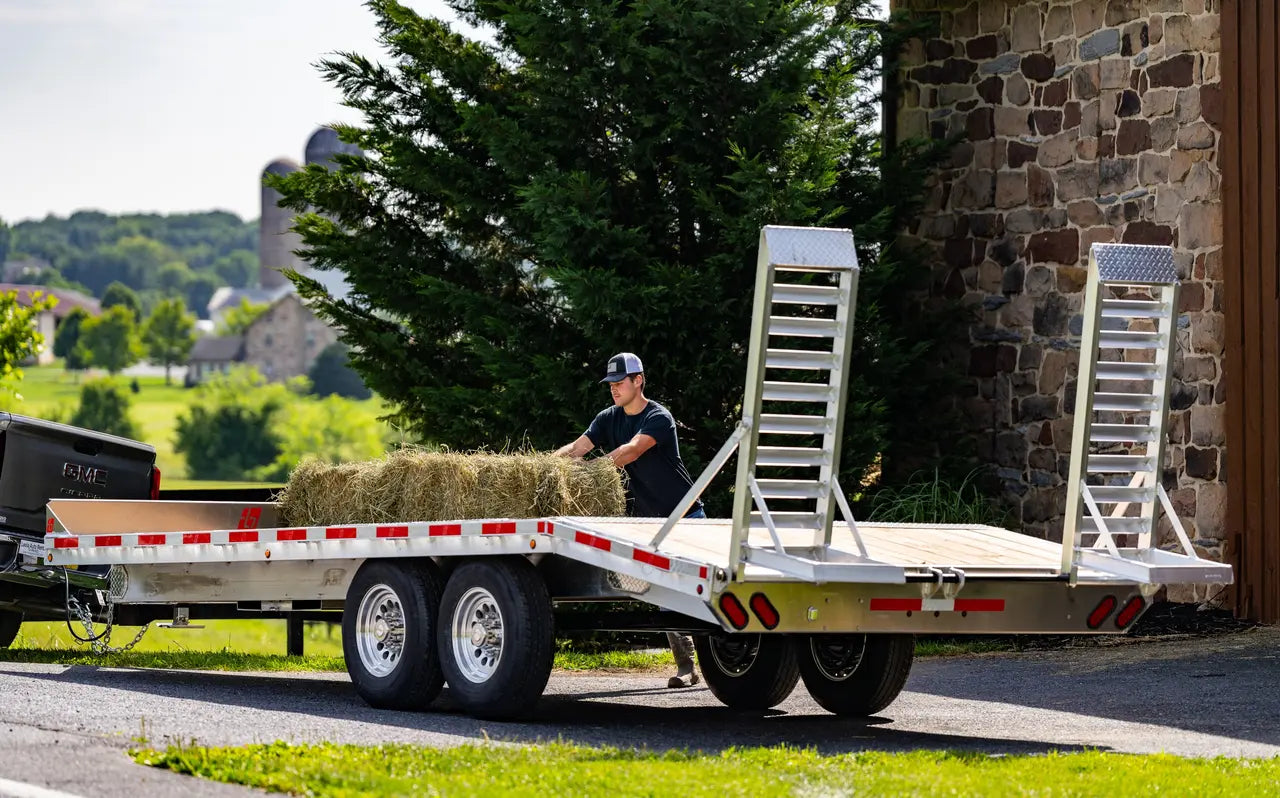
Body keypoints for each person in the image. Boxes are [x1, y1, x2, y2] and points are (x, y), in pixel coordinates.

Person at [556, 352, 705, 688]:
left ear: (639, 380)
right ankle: (686, 667)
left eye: (620, 383)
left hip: (686, 518)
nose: (614, 389)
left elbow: (631, 451)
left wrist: (593, 471)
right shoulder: (609, 417)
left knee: (693, 596)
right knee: (662, 590)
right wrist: (544, 466)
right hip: (648, 522)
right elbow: (578, 447)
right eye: (610, 384)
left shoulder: (658, 417)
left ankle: (719, 660)